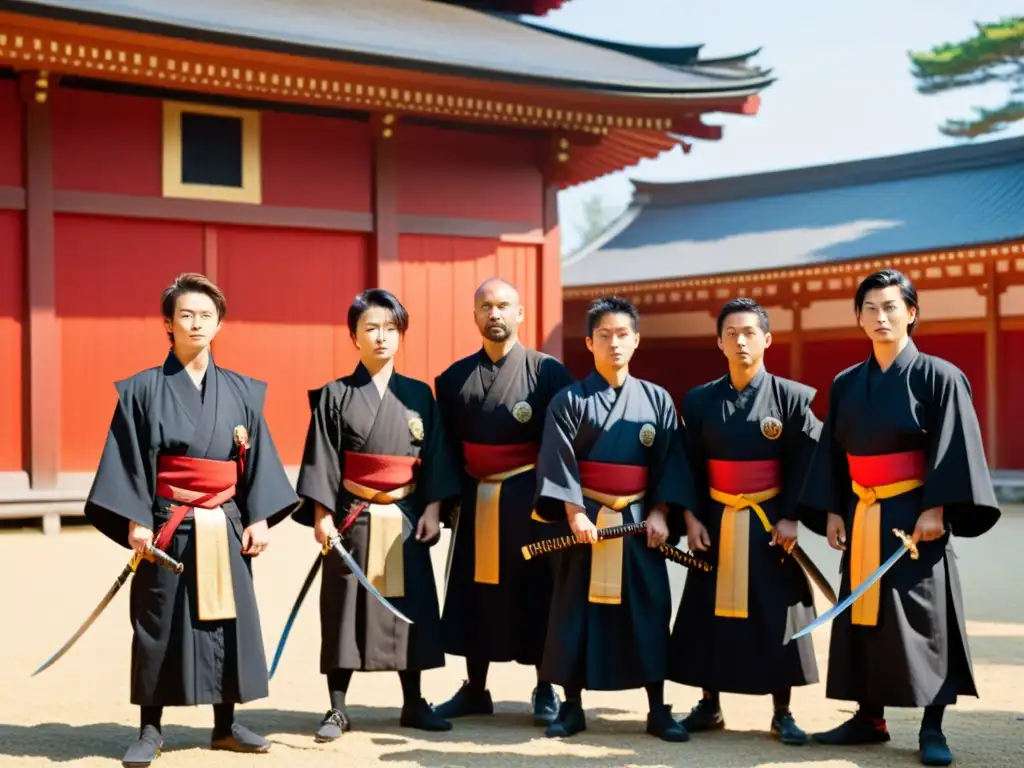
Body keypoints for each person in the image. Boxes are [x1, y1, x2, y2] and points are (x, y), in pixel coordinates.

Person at [83, 273, 300, 767]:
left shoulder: (243, 391)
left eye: (206, 315)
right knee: (158, 623)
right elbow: (127, 460)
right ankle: (151, 728)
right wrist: (135, 520)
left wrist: (260, 516)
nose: (197, 322)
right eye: (186, 314)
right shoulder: (140, 390)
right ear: (168, 323)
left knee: (225, 619)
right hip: (166, 523)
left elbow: (258, 460)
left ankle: (225, 725)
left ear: (219, 323)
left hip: (224, 519)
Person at [799, 269, 1000, 767]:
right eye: (871, 308)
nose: (881, 316)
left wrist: (937, 507)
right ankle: (870, 718)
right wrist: (832, 511)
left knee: (923, 619)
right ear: (859, 318)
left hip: (916, 516)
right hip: (863, 509)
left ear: (911, 313)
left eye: (891, 307)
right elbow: (833, 452)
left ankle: (933, 726)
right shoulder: (847, 383)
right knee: (865, 615)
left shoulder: (941, 376)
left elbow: (954, 448)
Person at [293, 288, 461, 740]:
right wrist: (322, 516)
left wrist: (433, 507)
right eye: (370, 328)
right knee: (344, 609)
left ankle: (413, 702)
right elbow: (322, 460)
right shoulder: (334, 395)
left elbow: (437, 455)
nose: (381, 337)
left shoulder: (419, 396)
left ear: (401, 334)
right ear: (354, 336)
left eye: (390, 328)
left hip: (406, 516)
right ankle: (337, 707)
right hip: (352, 517)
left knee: (412, 609)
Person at [532, 295, 694, 742]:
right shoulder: (568, 401)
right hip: (585, 524)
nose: (614, 343)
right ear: (589, 342)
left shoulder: (657, 400)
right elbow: (557, 461)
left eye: (623, 335)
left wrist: (662, 512)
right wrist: (574, 512)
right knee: (573, 614)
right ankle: (571, 706)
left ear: (637, 340)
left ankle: (658, 708)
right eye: (604, 335)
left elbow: (669, 464)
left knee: (649, 610)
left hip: (639, 523)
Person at [668, 297, 820, 745]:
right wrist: (691, 517)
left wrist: (792, 517)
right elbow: (686, 464)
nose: (740, 341)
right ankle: (710, 703)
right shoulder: (698, 401)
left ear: (767, 339)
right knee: (708, 612)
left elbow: (807, 461)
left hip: (769, 522)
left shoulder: (791, 398)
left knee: (775, 612)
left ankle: (783, 710)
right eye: (731, 333)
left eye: (750, 332)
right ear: (719, 342)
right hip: (715, 519)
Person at [432, 278, 574, 725]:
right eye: (486, 306)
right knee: (478, 592)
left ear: (520, 313)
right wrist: (448, 502)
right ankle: (476, 688)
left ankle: (545, 687)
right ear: (474, 316)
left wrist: (561, 503)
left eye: (503, 306)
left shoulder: (548, 372)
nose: (495, 314)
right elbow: (445, 449)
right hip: (477, 500)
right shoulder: (453, 379)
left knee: (539, 591)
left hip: (532, 500)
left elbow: (566, 443)